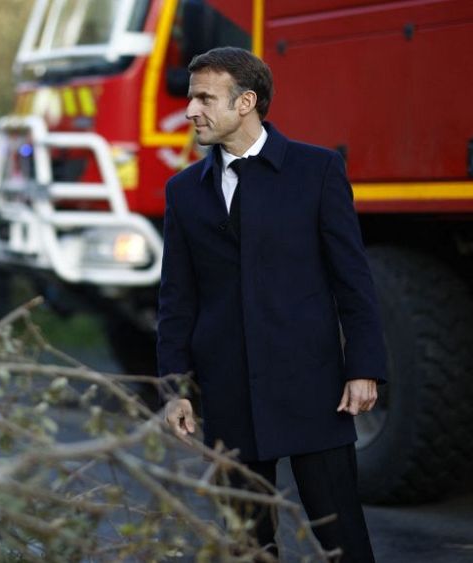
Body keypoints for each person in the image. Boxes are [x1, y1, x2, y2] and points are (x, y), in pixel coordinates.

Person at [157, 47, 387, 561]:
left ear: (246, 102)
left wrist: (364, 368)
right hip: (229, 391)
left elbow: (353, 281)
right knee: (246, 544)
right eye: (190, 98)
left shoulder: (318, 170)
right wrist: (175, 388)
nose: (190, 110)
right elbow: (177, 300)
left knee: (343, 539)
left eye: (203, 98)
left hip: (315, 387)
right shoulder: (183, 192)